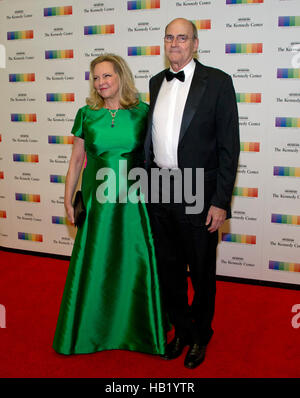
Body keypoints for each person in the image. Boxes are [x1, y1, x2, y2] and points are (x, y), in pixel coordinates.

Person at [53, 54, 167, 356]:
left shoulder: (143, 112)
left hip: (134, 201)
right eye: (96, 77)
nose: (101, 82)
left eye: (107, 76)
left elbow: (156, 156)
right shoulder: (86, 114)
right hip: (98, 202)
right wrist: (68, 198)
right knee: (96, 264)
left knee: (135, 262)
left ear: (121, 77)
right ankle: (90, 330)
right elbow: (77, 160)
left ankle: (139, 329)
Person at [144, 18, 240, 369]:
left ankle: (201, 335)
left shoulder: (217, 82)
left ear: (195, 44)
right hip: (159, 189)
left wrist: (220, 201)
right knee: (168, 268)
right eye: (169, 37)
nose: (175, 43)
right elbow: (151, 141)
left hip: (200, 192)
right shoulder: (156, 83)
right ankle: (181, 330)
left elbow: (230, 147)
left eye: (182, 38)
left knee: (201, 270)